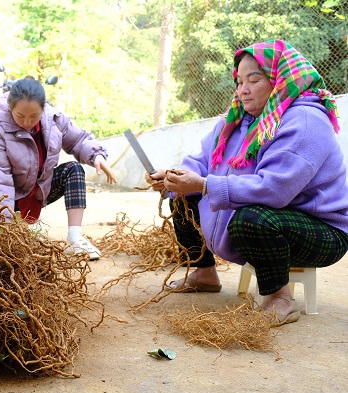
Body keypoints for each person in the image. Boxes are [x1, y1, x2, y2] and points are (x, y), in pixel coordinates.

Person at [146, 40, 348, 324]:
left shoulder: (304, 121)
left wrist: (203, 185)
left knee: (252, 218)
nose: (243, 89)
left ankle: (279, 298)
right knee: (181, 197)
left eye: (254, 79)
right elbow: (202, 162)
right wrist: (173, 177)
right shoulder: (237, 120)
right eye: (239, 81)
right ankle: (204, 273)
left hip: (321, 230)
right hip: (275, 215)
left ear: (281, 81)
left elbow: (274, 190)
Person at [0, 77, 117, 260]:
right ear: (10, 108)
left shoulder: (54, 119)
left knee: (74, 169)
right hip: (8, 198)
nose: (27, 122)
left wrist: (97, 155)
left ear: (43, 109)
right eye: (20, 116)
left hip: (38, 192)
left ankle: (76, 238)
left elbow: (78, 140)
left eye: (34, 116)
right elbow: (1, 180)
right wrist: (3, 233)